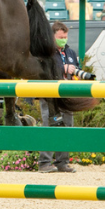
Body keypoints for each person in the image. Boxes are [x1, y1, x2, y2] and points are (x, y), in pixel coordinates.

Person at [39, 21, 80, 174]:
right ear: (52, 37)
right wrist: (63, 68)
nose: (64, 39)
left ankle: (62, 162)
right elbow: (43, 71)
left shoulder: (70, 52)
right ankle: (44, 163)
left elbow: (77, 68)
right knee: (49, 126)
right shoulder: (45, 53)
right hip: (49, 96)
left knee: (67, 127)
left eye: (66, 36)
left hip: (67, 95)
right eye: (61, 37)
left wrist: (78, 73)